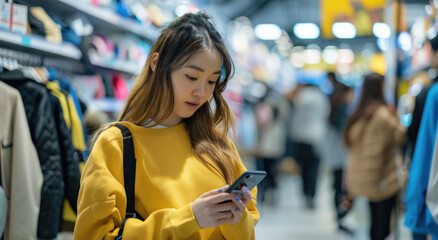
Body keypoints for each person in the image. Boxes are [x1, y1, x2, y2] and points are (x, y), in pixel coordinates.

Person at [73, 12, 259, 240]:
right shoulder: (116, 145)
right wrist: (189, 218)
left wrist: (237, 221)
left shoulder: (220, 146)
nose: (201, 92)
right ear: (157, 64)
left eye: (211, 81)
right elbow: (95, 236)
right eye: (191, 77)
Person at [343, 73, 406, 240]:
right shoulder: (384, 115)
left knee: (374, 225)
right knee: (384, 225)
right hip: (385, 178)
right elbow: (401, 136)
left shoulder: (358, 114)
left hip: (365, 179)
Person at [286, 81, 329, 209]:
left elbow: (294, 117)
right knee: (314, 169)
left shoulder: (300, 97)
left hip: (300, 138)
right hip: (316, 138)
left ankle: (305, 194)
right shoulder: (322, 99)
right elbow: (325, 117)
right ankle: (312, 195)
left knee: (303, 168)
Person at [322, 72, 353, 233]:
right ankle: (341, 217)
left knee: (337, 184)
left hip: (334, 153)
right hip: (342, 155)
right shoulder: (342, 110)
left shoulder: (333, 106)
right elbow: (345, 134)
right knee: (343, 186)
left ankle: (339, 217)